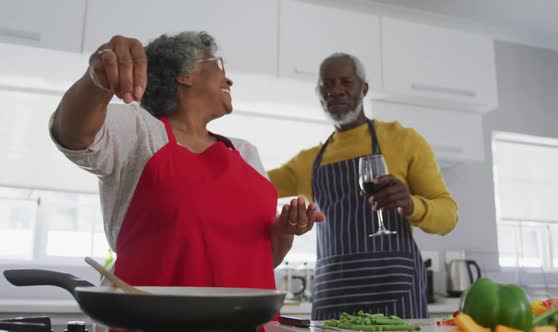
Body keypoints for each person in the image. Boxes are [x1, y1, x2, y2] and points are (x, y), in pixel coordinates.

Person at [49, 31, 324, 291]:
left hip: (245, 321)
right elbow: (73, 134)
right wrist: (97, 79)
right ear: (184, 74)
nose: (229, 81)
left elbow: (264, 260)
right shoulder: (139, 130)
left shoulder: (245, 153)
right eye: (219, 66)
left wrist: (286, 231)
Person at [268, 53, 458, 319]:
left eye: (346, 82)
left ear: (363, 88)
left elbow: (449, 216)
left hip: (395, 294)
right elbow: (251, 185)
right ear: (319, 92)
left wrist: (412, 204)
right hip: (333, 297)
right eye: (327, 84)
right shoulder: (306, 161)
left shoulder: (404, 140)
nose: (336, 90)